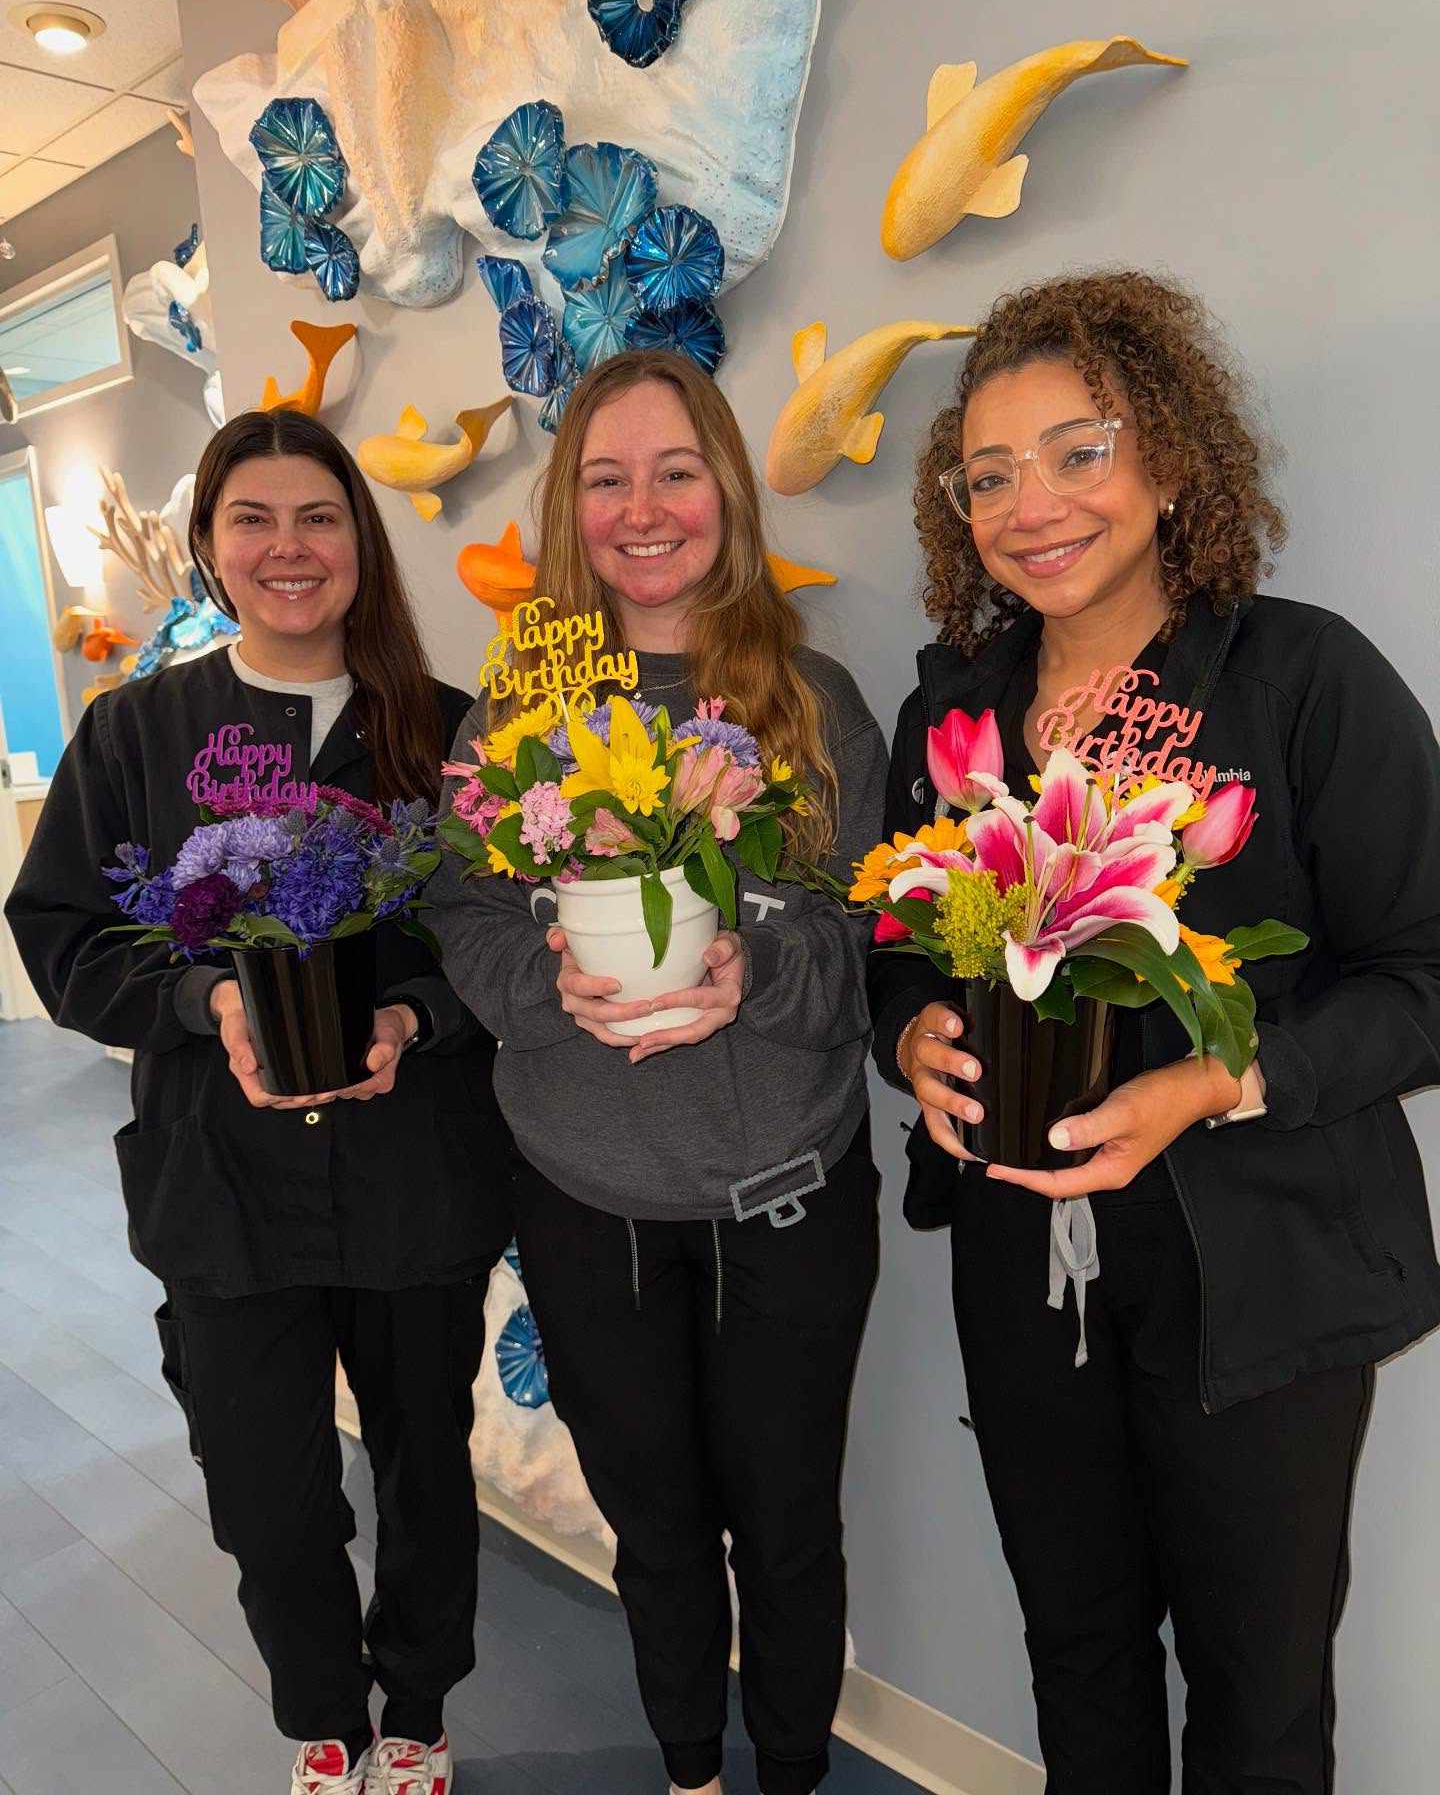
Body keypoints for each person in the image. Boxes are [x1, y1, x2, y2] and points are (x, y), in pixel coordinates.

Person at [870, 270, 1440, 1794]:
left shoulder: (1300, 680)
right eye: (990, 474)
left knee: (1259, 1698)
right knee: (1080, 1656)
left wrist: (1219, 1082)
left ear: (1174, 461)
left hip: (1259, 1272)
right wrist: (910, 1038)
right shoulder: (953, 716)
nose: (1034, 505)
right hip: (1024, 1268)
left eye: (1081, 450)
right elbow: (893, 955)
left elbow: (1426, 975)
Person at [5, 410, 513, 1795]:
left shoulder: (449, 733)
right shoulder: (137, 730)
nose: (289, 548)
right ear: (211, 546)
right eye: (254, 520)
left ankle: (417, 1710)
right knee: (264, 1492)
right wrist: (204, 1001)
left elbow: (503, 940)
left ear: (360, 540)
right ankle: (324, 1719)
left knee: (426, 1472)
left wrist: (415, 1017)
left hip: (415, 1176)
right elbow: (63, 932)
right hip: (218, 1183)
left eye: (318, 517)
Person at [427, 349, 887, 1795]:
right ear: (569, 508)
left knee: (790, 1528)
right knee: (658, 1529)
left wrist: (758, 971)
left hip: (787, 1200)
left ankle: (794, 1771)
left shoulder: (812, 700)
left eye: (676, 472)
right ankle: (691, 1770)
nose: (643, 510)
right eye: (607, 478)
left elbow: (869, 941)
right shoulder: (518, 709)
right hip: (586, 1203)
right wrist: (548, 990)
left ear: (727, 491)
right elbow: (464, 912)